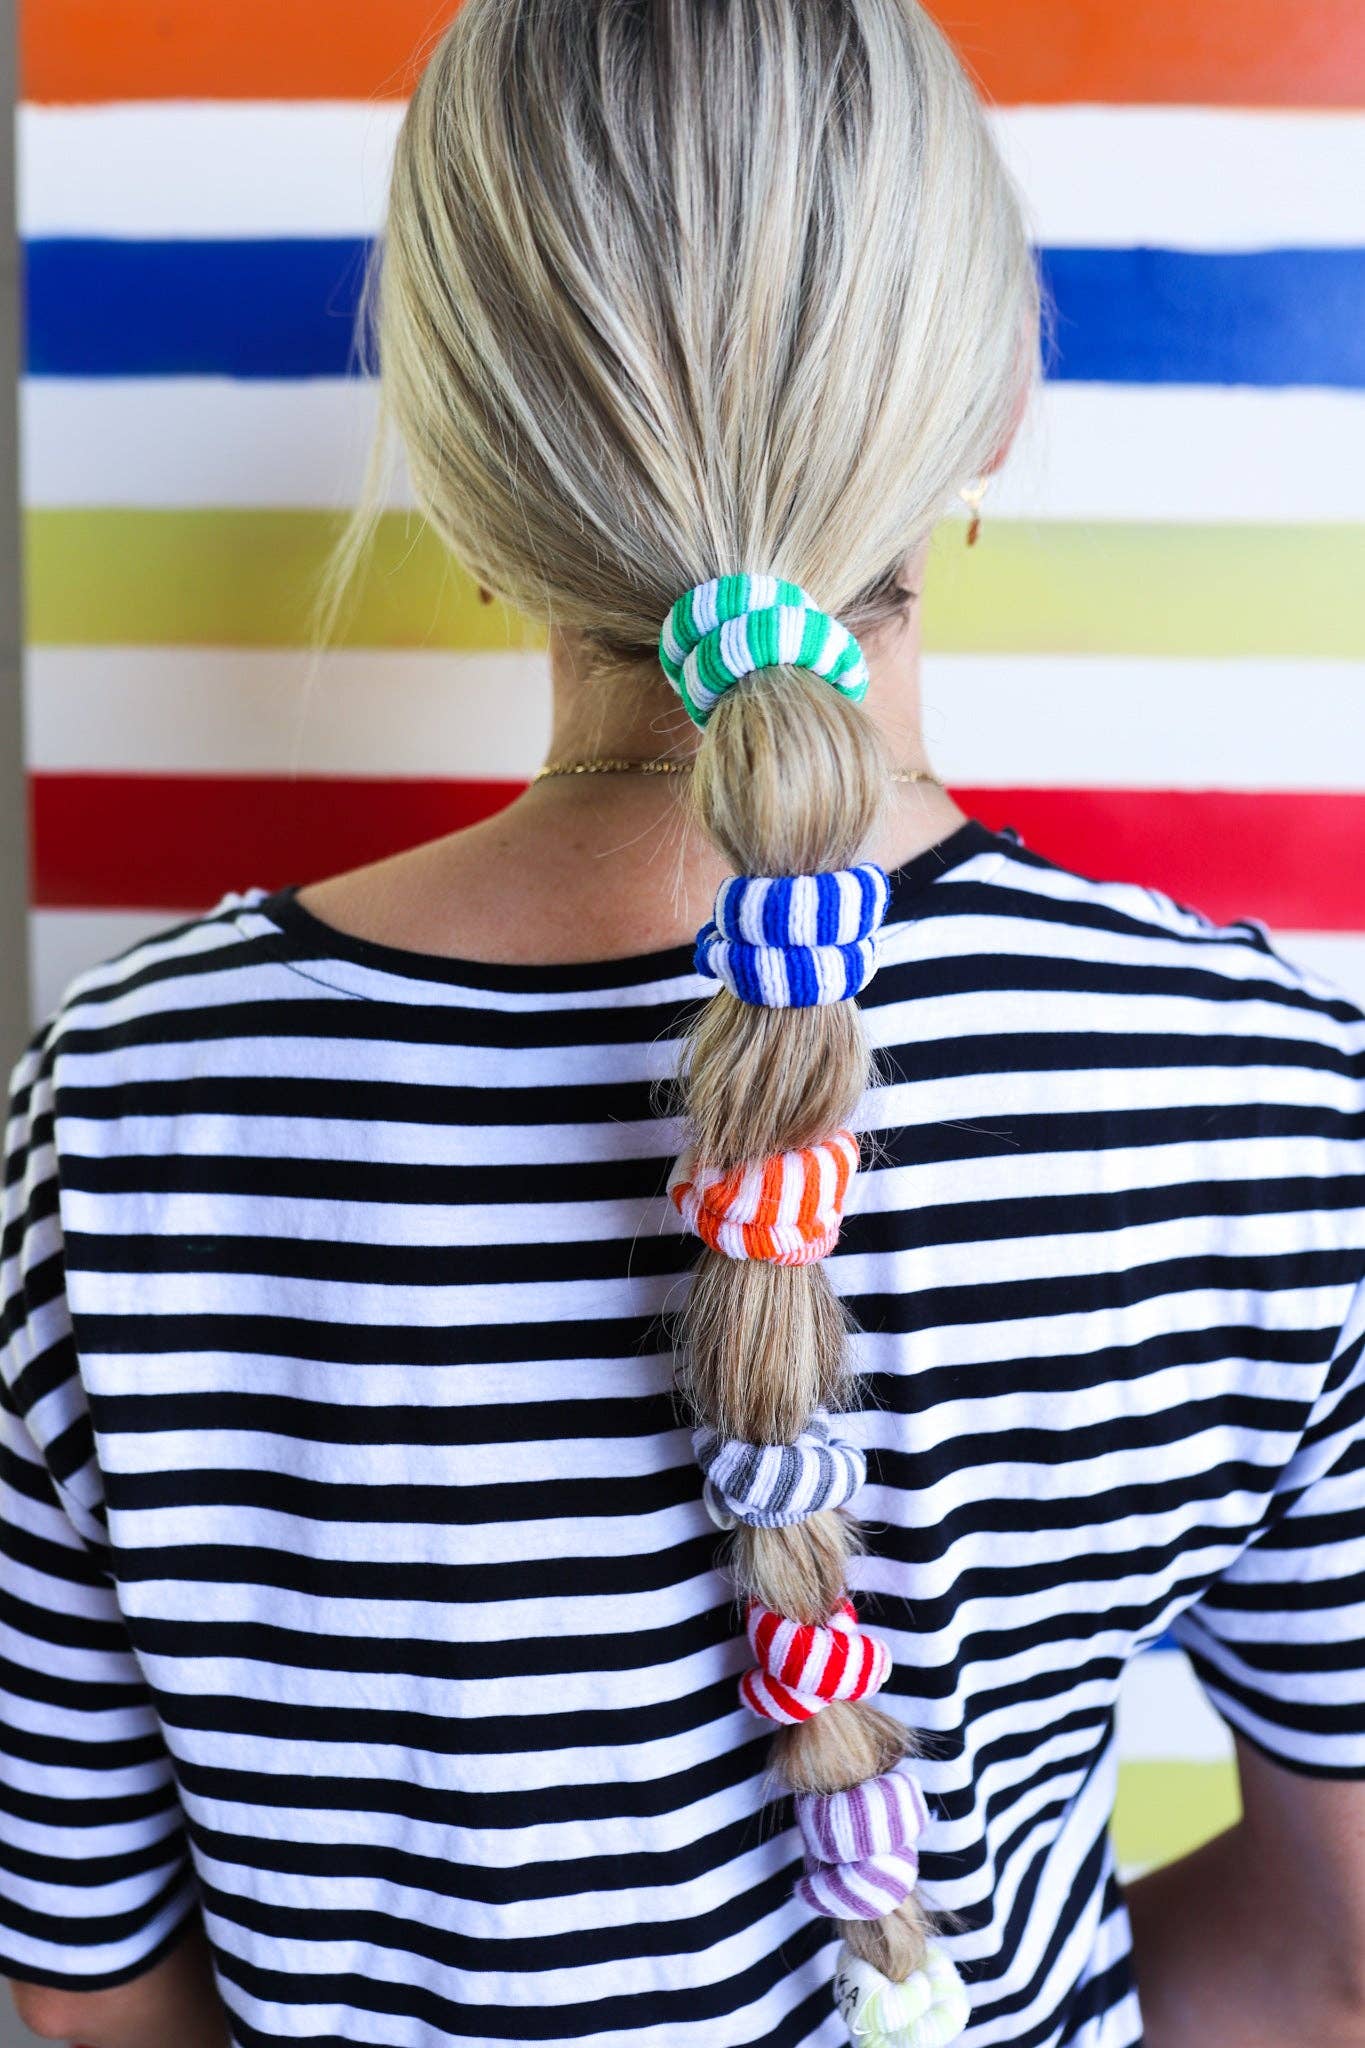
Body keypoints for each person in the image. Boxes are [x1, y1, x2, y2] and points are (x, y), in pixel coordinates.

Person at [4, 2, 1365, 2044]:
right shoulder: (1258, 1109)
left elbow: (102, 2003)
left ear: (464, 469)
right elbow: (1335, 1946)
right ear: (989, 403)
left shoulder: (121, 1127)